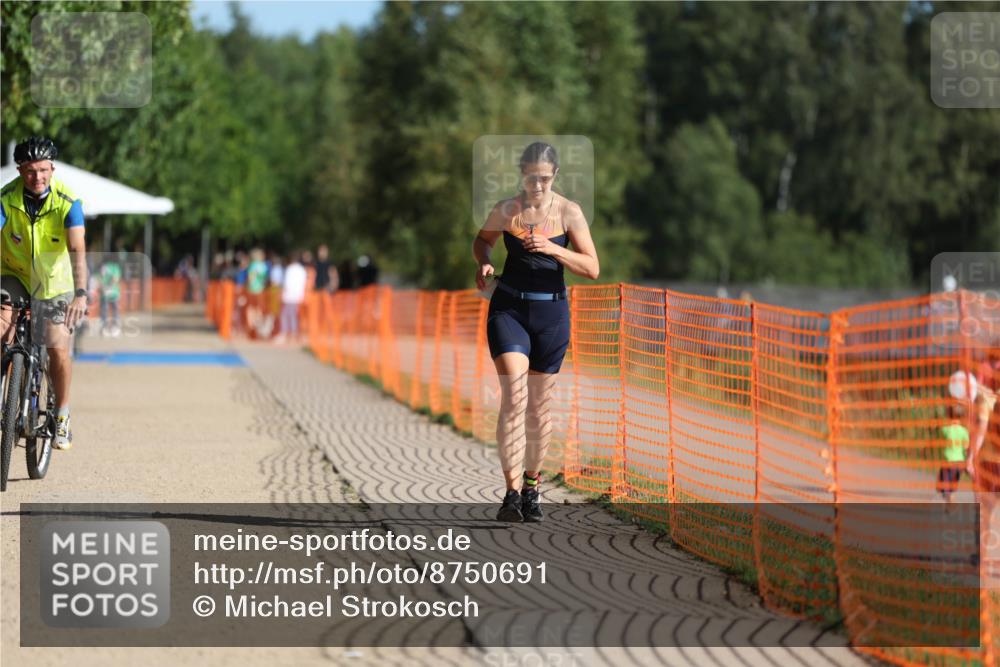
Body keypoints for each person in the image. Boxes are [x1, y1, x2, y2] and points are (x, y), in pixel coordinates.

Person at [472, 142, 600, 522]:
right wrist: (484, 263)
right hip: (509, 308)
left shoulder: (570, 212)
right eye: (531, 177)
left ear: (555, 175)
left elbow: (592, 268)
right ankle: (511, 493)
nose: (538, 185)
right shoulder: (506, 210)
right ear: (521, 174)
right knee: (514, 395)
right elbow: (482, 241)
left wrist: (552, 249)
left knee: (539, 409)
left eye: (544, 178)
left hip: (552, 314)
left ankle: (532, 488)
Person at [0, 136, 88, 451]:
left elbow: (77, 249)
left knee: (57, 347)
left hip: (55, 283)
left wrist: (80, 293)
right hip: (14, 274)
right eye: (29, 171)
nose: (36, 177)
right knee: (0, 331)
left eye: (42, 170)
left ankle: (61, 414)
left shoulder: (68, 202)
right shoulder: (5, 198)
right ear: (20, 170)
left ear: (52, 168)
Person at [938, 404, 970, 508]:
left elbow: (941, 440)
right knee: (954, 483)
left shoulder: (946, 429)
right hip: (959, 462)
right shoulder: (964, 431)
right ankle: (951, 497)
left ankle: (948, 498)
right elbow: (966, 447)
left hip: (948, 461)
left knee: (945, 483)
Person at [277, 251, 307, 344]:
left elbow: (287, 283)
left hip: (289, 295)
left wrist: (283, 294)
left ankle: (286, 333)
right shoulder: (302, 270)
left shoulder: (290, 269)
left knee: (285, 315)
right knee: (293, 315)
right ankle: (293, 334)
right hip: (297, 295)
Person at [98, 255, 123, 337]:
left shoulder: (104, 267)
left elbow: (100, 279)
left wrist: (104, 287)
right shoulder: (115, 267)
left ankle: (105, 328)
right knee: (114, 310)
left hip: (106, 292)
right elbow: (115, 279)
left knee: (105, 311)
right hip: (112, 292)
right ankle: (113, 328)